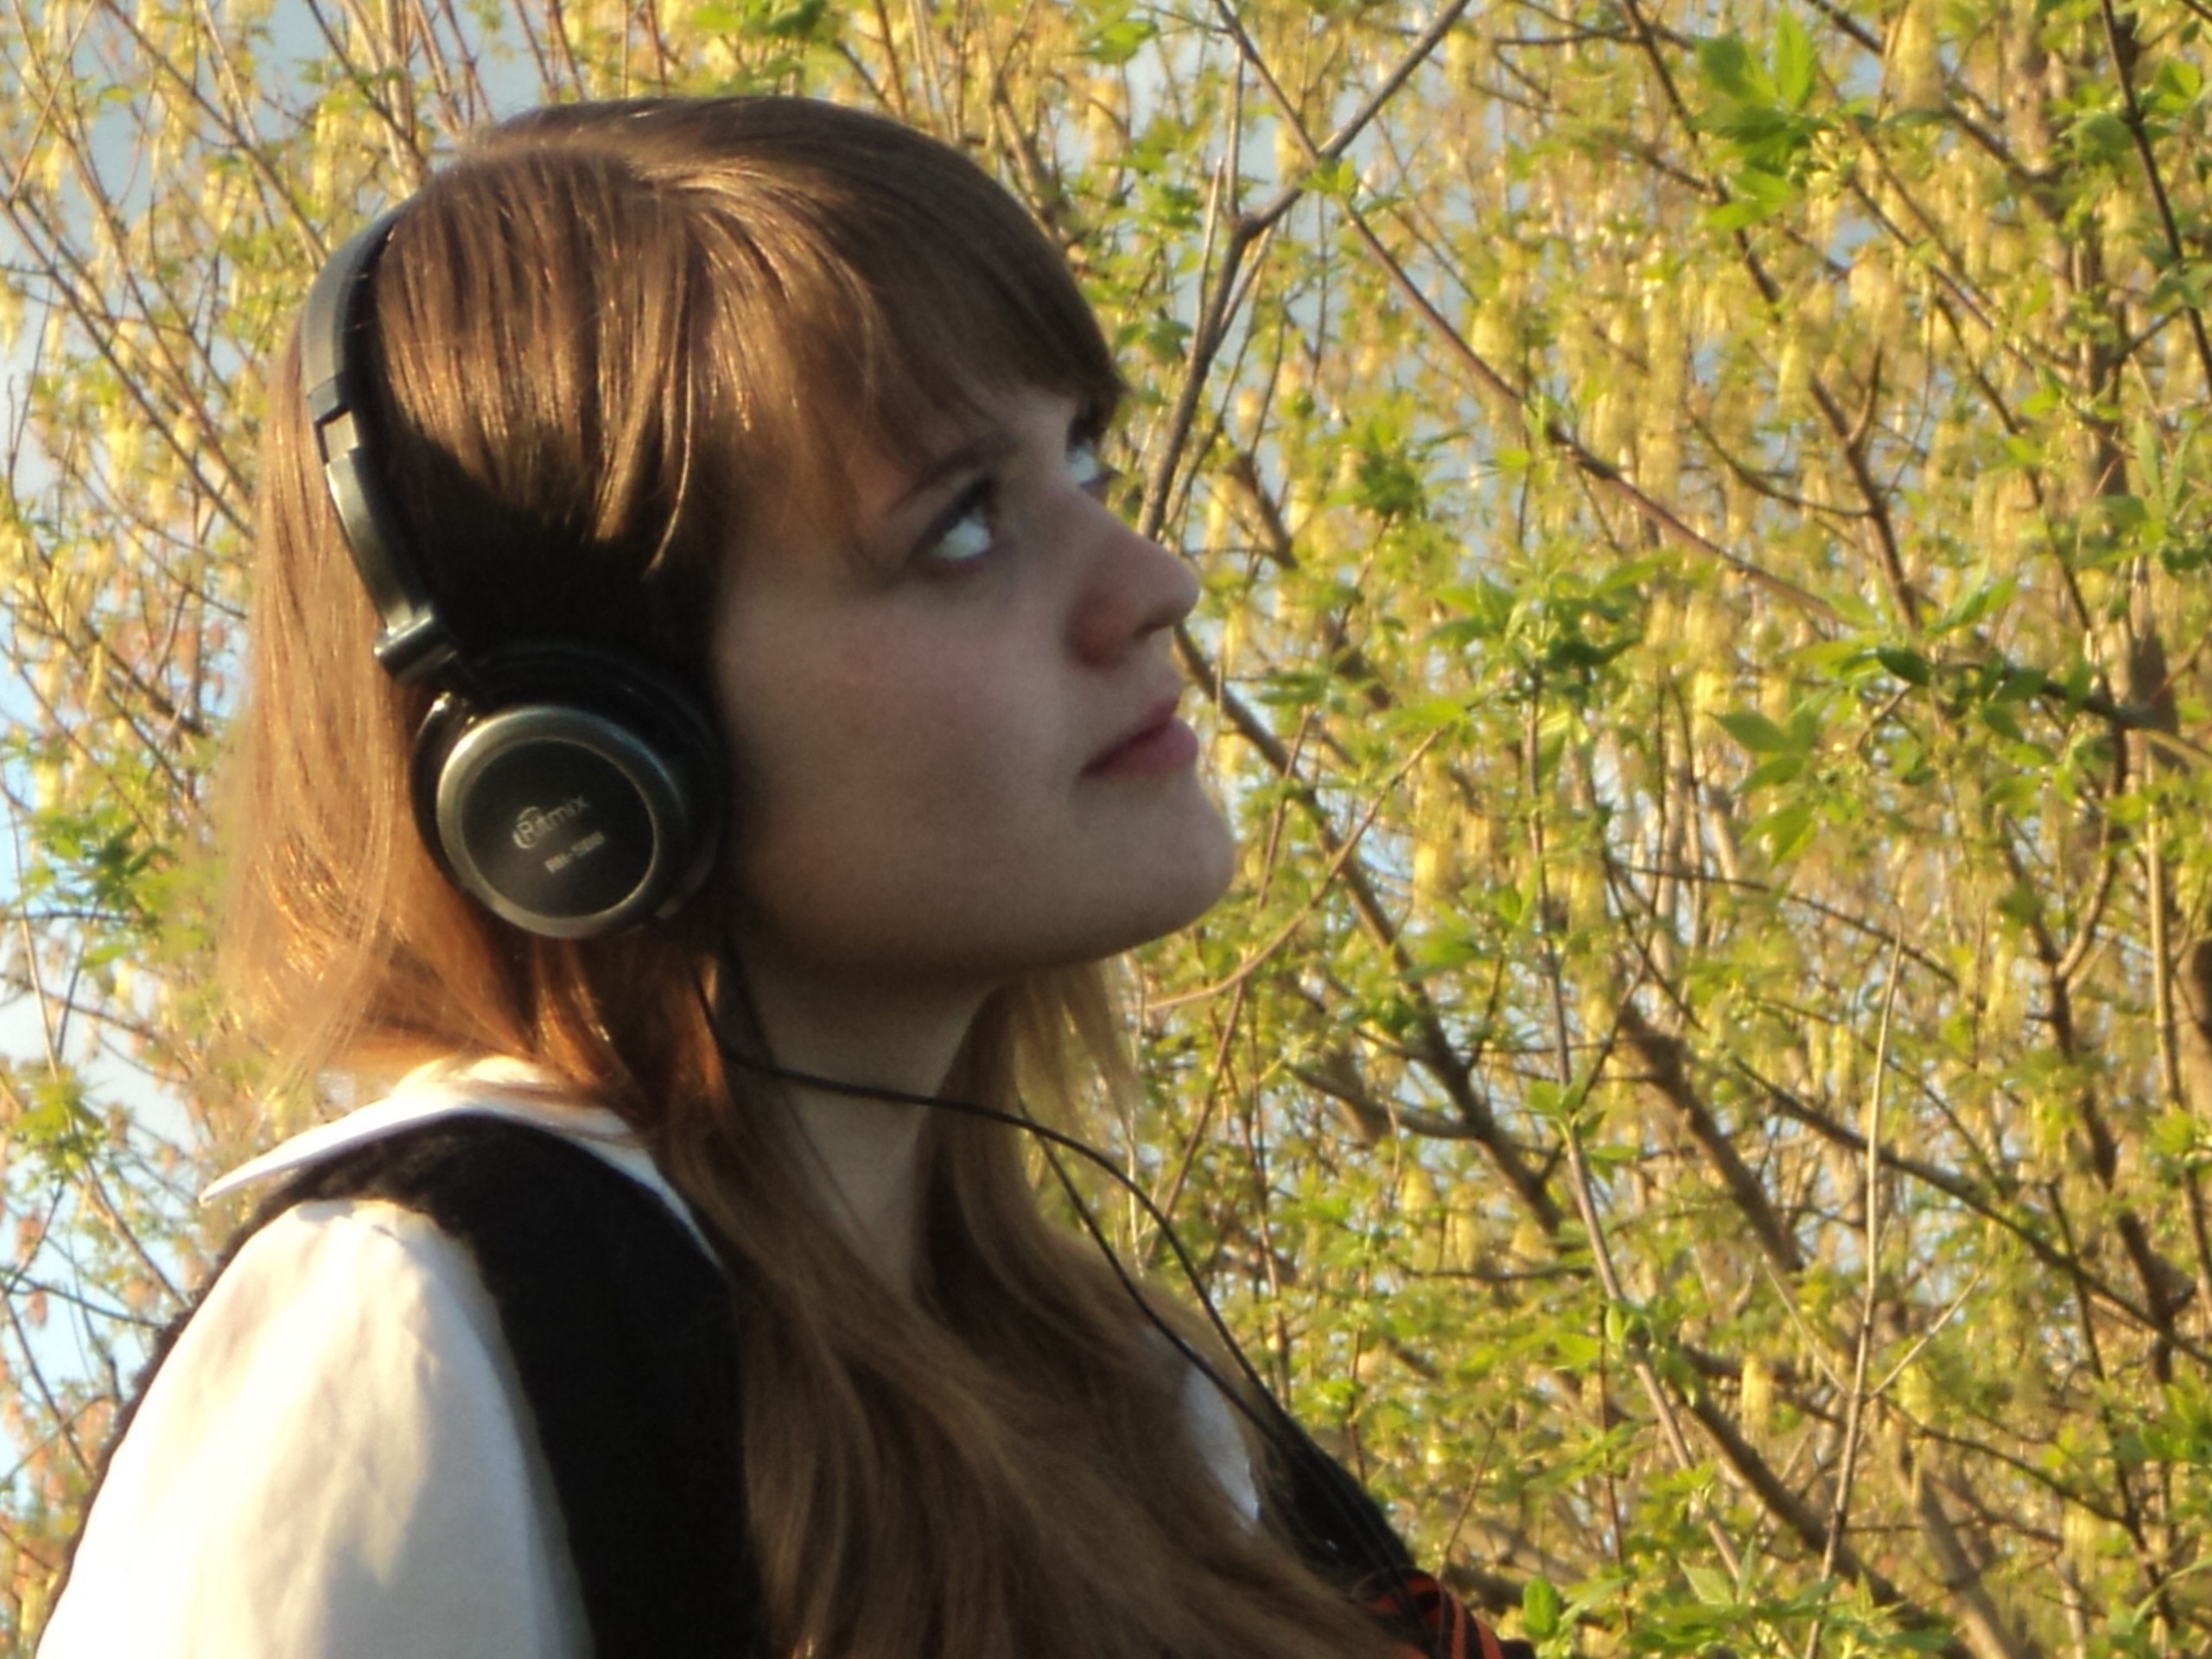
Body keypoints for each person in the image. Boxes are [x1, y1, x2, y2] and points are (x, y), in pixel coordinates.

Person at [41, 97, 1518, 1659]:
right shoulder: (416, 1346)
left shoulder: (1145, 1401)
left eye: (1082, 461)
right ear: (588, 754)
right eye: (964, 527)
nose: (1158, 581)